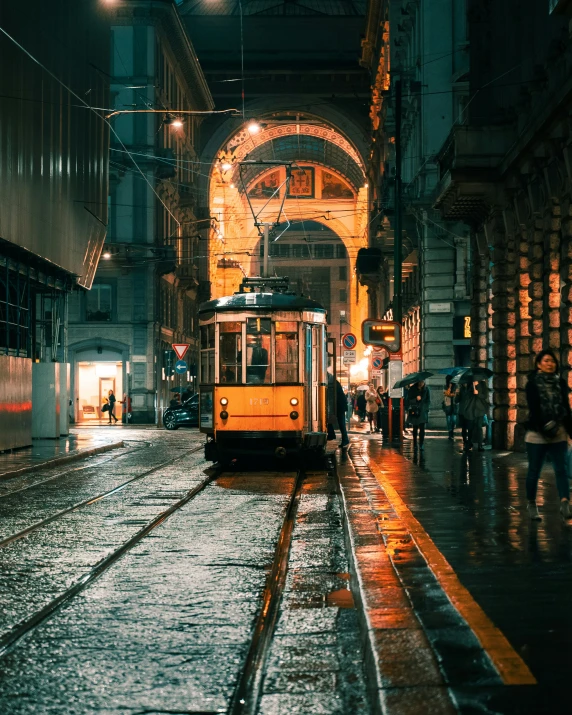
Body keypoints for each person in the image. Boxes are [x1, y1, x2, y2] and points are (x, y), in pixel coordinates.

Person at [524, 349, 572, 521]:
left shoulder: (561, 383)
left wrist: (570, 430)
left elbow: (566, 408)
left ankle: (565, 503)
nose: (550, 364)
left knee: (561, 469)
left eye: (552, 361)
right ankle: (531, 504)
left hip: (558, 432)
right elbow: (534, 408)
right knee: (534, 471)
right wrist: (544, 427)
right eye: (546, 361)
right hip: (537, 434)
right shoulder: (532, 384)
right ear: (538, 364)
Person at [465, 380, 489, 451]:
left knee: (479, 427)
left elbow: (484, 396)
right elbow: (467, 396)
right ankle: (469, 443)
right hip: (471, 409)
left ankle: (480, 445)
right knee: (470, 427)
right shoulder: (470, 384)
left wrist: (477, 391)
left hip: (480, 409)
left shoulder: (482, 384)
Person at [406, 380, 430, 450]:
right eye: (420, 382)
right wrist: (415, 399)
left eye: (422, 382)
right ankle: (415, 443)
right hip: (414, 410)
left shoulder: (426, 389)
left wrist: (425, 407)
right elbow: (408, 399)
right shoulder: (412, 389)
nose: (421, 383)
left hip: (422, 411)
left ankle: (421, 443)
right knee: (415, 428)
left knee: (422, 428)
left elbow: (428, 400)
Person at [456, 382, 474, 451]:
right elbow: (456, 401)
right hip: (462, 411)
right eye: (464, 382)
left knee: (470, 428)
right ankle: (465, 441)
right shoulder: (461, 389)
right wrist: (457, 394)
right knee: (464, 428)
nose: (465, 383)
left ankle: (469, 442)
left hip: (469, 411)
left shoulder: (472, 389)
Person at [336, 379, 350, 448]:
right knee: (342, 424)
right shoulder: (336, 384)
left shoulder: (334, 384)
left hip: (339, 407)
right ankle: (345, 440)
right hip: (341, 406)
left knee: (342, 424)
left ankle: (345, 440)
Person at [443, 376, 457, 440]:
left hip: (454, 405)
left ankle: (452, 431)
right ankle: (450, 432)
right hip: (448, 405)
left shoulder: (456, 386)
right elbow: (447, 394)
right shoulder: (445, 387)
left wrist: (453, 393)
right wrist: (450, 387)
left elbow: (456, 394)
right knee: (448, 420)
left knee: (453, 420)